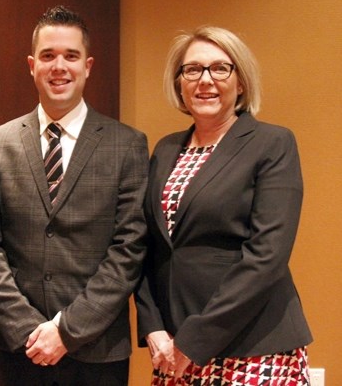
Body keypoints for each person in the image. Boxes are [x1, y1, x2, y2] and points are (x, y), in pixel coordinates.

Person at [0, 5, 149, 385]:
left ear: (88, 65)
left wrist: (68, 330)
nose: (59, 66)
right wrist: (28, 329)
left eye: (71, 56)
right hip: (23, 347)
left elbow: (129, 247)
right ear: (32, 65)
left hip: (98, 349)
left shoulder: (127, 144)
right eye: (48, 56)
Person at [134, 26, 313, 385]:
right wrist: (152, 326)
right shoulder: (166, 149)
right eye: (193, 70)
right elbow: (149, 246)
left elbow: (267, 257)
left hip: (253, 343)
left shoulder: (272, 143)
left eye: (220, 68)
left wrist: (195, 339)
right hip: (174, 344)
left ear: (241, 82)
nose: (205, 80)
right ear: (179, 83)